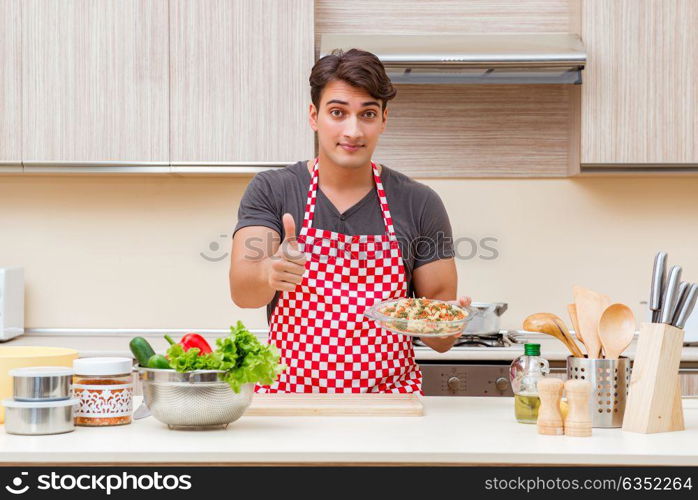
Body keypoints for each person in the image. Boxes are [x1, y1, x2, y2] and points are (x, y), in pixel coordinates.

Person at [230, 48, 470, 393]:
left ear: (384, 119)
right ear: (314, 116)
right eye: (338, 113)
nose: (353, 130)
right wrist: (270, 271)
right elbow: (243, 292)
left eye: (367, 114)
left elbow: (441, 340)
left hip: (389, 406)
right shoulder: (273, 189)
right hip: (290, 407)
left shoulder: (419, 202)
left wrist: (448, 324)